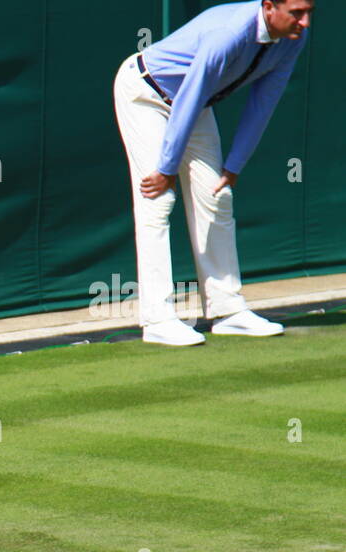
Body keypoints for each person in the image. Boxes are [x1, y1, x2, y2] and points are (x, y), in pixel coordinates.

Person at [113, 0, 313, 346]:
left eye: (309, 11)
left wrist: (234, 165)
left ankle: (227, 310)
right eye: (297, 12)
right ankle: (158, 319)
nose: (305, 21)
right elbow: (190, 93)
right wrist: (167, 166)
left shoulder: (294, 39)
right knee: (157, 199)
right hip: (147, 93)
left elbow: (265, 100)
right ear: (269, 7)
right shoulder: (229, 33)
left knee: (217, 195)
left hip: (194, 103)